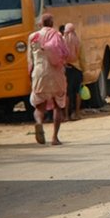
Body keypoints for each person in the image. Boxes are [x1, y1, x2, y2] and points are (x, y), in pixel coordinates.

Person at [28, 13, 69, 145]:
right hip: (56, 73)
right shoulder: (57, 35)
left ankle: (39, 123)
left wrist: (31, 76)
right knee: (57, 105)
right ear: (51, 23)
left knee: (39, 106)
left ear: (41, 24)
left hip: (39, 72)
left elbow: (30, 61)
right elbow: (65, 53)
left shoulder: (32, 37)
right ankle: (55, 138)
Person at [61, 23, 83, 121]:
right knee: (77, 92)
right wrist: (84, 69)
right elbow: (83, 57)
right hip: (77, 68)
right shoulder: (78, 41)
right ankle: (77, 113)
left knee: (67, 93)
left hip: (66, 69)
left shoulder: (62, 41)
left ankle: (66, 115)